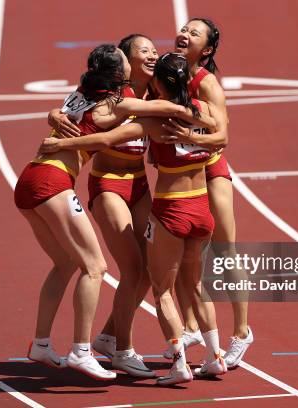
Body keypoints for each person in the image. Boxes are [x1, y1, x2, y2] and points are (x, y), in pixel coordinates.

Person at [17, 44, 212, 380]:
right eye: (134, 54)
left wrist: (53, 116)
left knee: (66, 263)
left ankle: (42, 343)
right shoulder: (117, 105)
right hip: (53, 182)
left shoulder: (84, 91)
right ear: (119, 71)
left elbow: (64, 112)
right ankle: (81, 350)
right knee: (95, 267)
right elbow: (163, 107)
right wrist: (195, 112)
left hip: (34, 177)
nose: (149, 56)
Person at [46, 34, 160, 378]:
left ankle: (109, 336)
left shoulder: (156, 91)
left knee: (150, 269)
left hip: (140, 184)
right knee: (133, 268)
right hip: (109, 184)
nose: (153, 56)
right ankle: (123, 350)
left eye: (155, 50)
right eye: (145, 52)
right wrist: (54, 114)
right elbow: (68, 110)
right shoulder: (111, 94)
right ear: (126, 61)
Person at [162, 18, 254, 369]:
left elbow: (222, 136)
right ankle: (189, 326)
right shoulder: (168, 75)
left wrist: (189, 139)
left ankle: (242, 332)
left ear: (208, 49)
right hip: (180, 175)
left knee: (225, 249)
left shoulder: (207, 83)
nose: (184, 34)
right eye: (184, 29)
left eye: (194, 33)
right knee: (188, 255)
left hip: (210, 168)